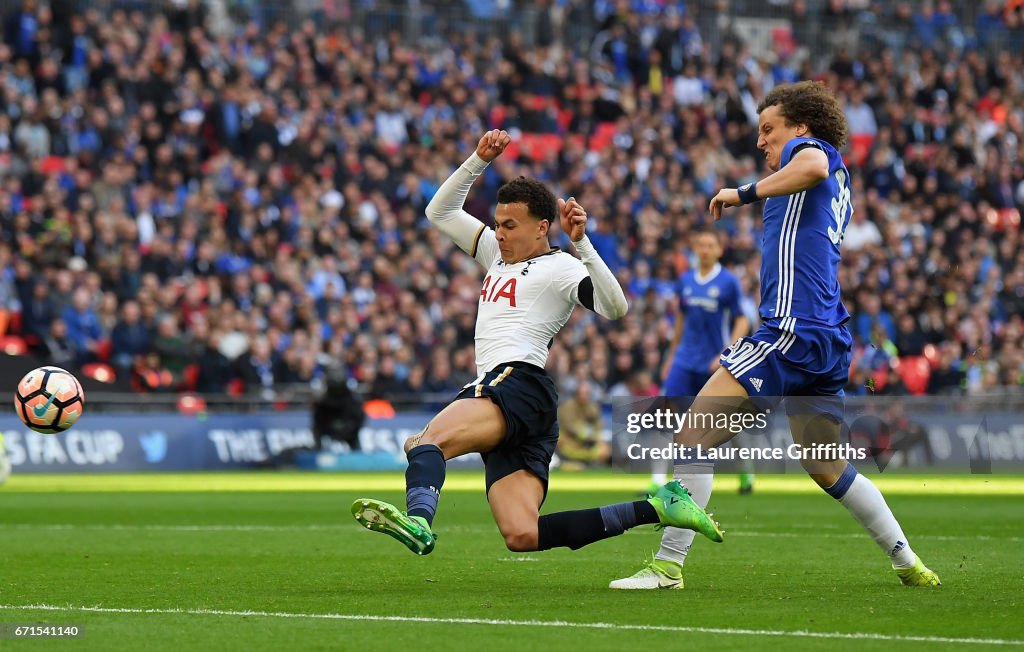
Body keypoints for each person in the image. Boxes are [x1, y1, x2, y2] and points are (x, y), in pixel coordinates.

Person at [611, 81, 940, 590]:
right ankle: (907, 560)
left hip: (790, 332)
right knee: (826, 466)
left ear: (800, 127)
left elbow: (809, 164)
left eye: (769, 130)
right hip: (826, 337)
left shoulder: (811, 154)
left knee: (691, 438)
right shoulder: (833, 179)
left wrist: (741, 193)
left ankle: (667, 566)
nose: (762, 142)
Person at [351, 130, 723, 557]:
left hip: (515, 382)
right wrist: (477, 160)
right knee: (522, 534)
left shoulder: (559, 267)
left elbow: (615, 307)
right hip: (523, 404)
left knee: (424, 443)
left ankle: (418, 520)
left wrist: (582, 244)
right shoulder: (495, 253)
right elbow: (439, 210)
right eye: (497, 224)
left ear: (542, 227)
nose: (500, 233)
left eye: (510, 226)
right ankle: (658, 507)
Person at [654, 230, 753, 493]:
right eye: (701, 244)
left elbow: (743, 320)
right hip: (685, 360)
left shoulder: (728, 282)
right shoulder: (685, 280)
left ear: (719, 250)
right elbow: (681, 323)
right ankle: (656, 481)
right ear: (695, 249)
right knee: (669, 416)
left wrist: (726, 351)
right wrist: (670, 357)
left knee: (725, 419)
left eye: (711, 245)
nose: (705, 249)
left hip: (714, 363)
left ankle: (746, 473)